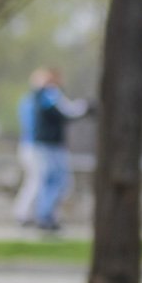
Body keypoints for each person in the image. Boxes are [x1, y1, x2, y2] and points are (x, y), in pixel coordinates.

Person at [33, 69, 90, 231]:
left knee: (54, 181)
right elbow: (65, 112)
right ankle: (45, 217)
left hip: (50, 144)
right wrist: (83, 109)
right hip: (49, 144)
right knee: (56, 181)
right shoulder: (49, 95)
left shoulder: (45, 95)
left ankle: (46, 215)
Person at [12, 68, 50, 226]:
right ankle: (23, 214)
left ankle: (28, 213)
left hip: (31, 145)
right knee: (36, 181)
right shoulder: (33, 101)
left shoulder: (32, 100)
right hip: (32, 146)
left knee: (35, 181)